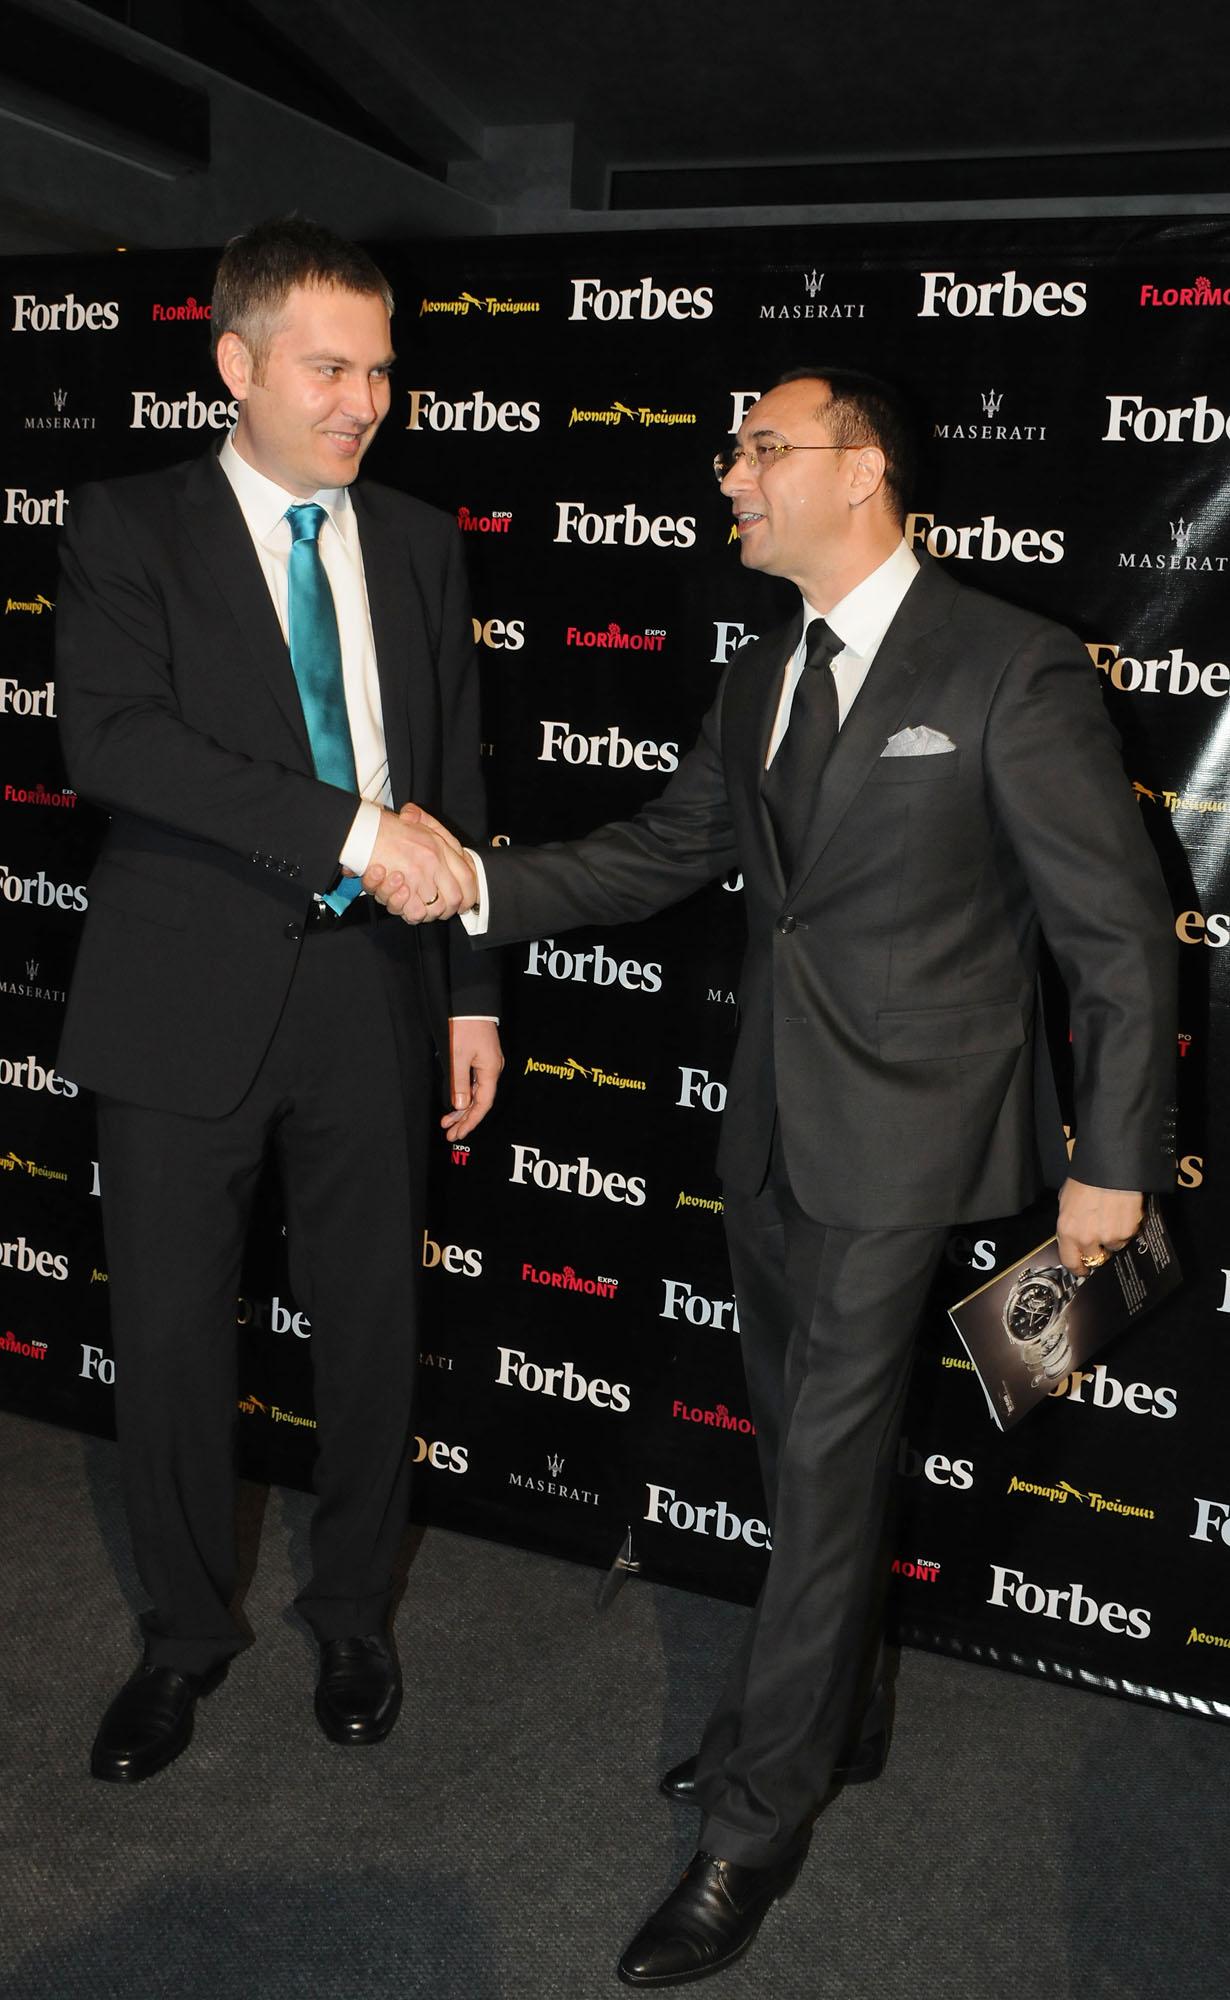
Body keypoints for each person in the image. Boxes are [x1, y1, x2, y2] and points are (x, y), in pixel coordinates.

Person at [367, 368, 1177, 1987]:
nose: (727, 474)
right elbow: (664, 851)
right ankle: (839, 1708)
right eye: (731, 450)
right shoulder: (761, 672)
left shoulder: (1007, 663)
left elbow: (1113, 936)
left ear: (860, 470)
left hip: (913, 1143)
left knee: (816, 1469)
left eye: (759, 448)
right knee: (810, 1451)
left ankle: (753, 1820)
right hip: (772, 1130)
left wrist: (1112, 1165)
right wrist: (470, 887)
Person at [56, 217, 502, 1784]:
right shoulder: (127, 523)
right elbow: (113, 743)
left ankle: (354, 1611)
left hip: (375, 997)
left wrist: (470, 992)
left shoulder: (422, 541)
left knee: (375, 1330)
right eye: (328, 367)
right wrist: (352, 833)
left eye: (380, 369)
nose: (364, 399)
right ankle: (181, 1636)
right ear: (234, 364)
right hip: (180, 998)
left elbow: (455, 781)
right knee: (174, 1340)